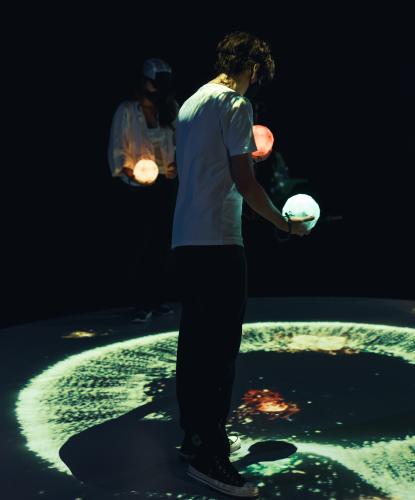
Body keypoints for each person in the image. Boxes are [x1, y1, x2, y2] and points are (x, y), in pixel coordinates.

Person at [171, 32, 312, 497]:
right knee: (218, 352)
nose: (254, 87)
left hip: (186, 240)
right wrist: (284, 224)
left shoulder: (190, 104)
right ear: (251, 67)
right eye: (257, 77)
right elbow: (244, 180)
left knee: (193, 345)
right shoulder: (234, 104)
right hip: (219, 242)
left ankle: (194, 439)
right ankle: (212, 457)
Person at [108, 58, 179, 323]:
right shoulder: (127, 111)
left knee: (162, 243)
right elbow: (118, 150)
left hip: (165, 185)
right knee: (140, 242)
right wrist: (132, 171)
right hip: (137, 188)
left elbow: (181, 142)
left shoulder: (171, 109)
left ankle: (157, 299)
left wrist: (175, 165)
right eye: (153, 84)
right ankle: (139, 302)